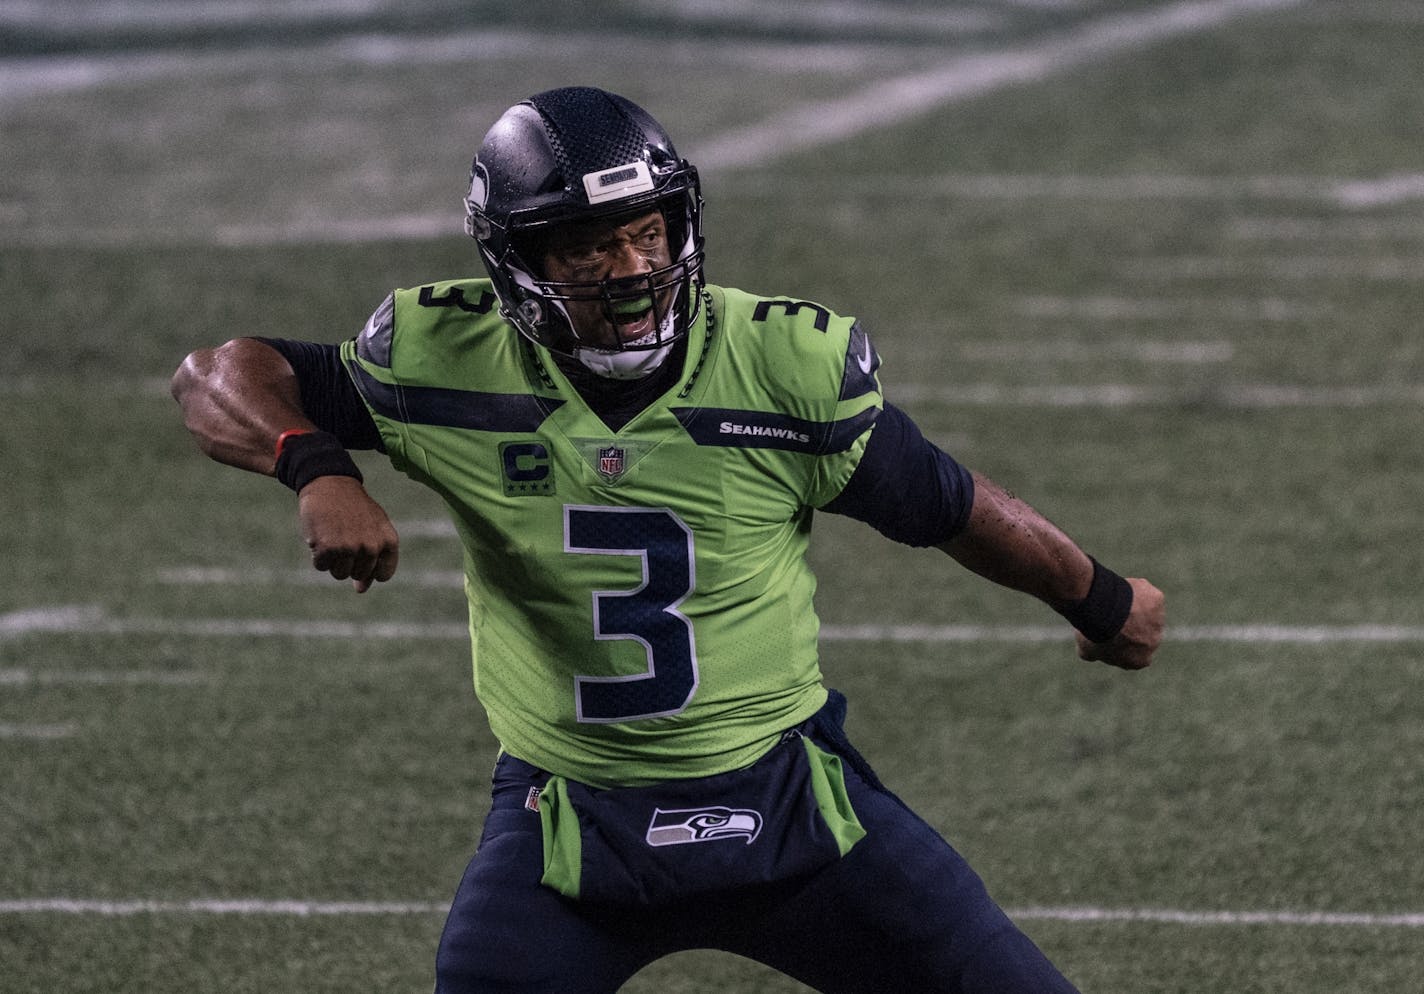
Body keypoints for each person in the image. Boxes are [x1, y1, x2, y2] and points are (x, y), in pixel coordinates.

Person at [172, 85, 1164, 994]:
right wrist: (317, 464)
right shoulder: (444, 361)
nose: (632, 269)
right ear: (517, 259)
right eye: (588, 247)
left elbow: (947, 504)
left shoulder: (777, 367)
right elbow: (219, 372)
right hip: (565, 827)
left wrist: (1096, 597)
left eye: (645, 232)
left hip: (791, 800)